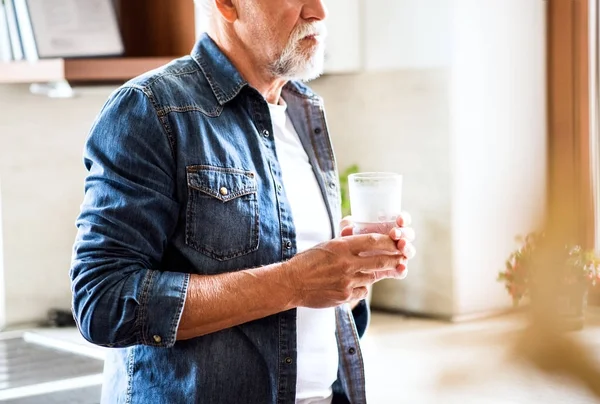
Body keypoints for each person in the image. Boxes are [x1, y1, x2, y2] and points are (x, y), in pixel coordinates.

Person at [69, 0, 416, 403]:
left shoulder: (304, 111)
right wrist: (296, 283)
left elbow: (303, 304)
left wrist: (349, 279)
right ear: (228, 4)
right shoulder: (151, 108)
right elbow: (103, 300)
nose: (318, 11)